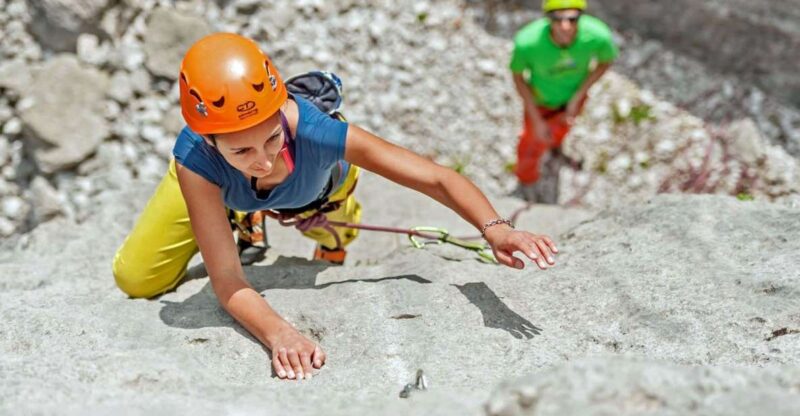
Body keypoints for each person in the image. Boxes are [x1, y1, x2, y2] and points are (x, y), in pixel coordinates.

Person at [112, 33, 559, 381]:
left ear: (281, 107)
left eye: (270, 137)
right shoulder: (197, 160)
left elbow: (436, 177)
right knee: (135, 277)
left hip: (315, 190)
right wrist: (279, 333)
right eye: (241, 151)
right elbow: (227, 280)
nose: (264, 159)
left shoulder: (316, 132)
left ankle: (298, 219)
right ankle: (239, 212)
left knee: (332, 242)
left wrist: (496, 227)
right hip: (217, 187)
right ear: (208, 140)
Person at [510, 0, 618, 203]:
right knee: (530, 143)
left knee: (562, 127)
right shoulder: (527, 42)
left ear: (581, 17)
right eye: (557, 19)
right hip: (540, 102)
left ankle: (554, 146)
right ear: (547, 19)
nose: (565, 26)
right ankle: (526, 179)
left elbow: (605, 61)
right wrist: (536, 118)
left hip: (572, 99)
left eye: (572, 19)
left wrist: (578, 96)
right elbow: (517, 76)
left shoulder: (597, 36)